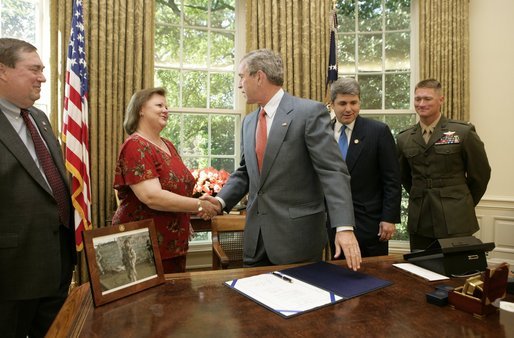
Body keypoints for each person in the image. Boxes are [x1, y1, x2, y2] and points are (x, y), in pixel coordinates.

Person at [202, 49, 361, 270]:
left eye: (241, 77)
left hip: (297, 241)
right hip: (256, 240)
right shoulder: (249, 121)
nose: (239, 85)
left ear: (259, 77)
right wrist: (220, 201)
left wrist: (344, 227)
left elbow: (333, 171)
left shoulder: (308, 113)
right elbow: (246, 171)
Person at [0, 38, 76, 337]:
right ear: (3, 71)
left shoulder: (40, 118)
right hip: (11, 272)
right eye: (34, 69)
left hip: (56, 260)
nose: (43, 77)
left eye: (43, 69)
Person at [112, 87, 218, 274]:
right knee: (150, 302)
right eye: (159, 105)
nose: (166, 110)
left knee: (174, 301)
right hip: (145, 246)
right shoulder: (135, 145)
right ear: (140, 110)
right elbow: (152, 196)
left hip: (174, 243)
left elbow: (177, 189)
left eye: (167, 106)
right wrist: (199, 205)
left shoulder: (168, 144)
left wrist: (184, 220)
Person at [396, 79, 491, 251]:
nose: (421, 103)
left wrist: (462, 202)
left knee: (457, 273)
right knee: (422, 270)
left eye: (427, 99)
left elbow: (480, 175)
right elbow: (404, 177)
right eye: (417, 99)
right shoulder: (405, 137)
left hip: (456, 217)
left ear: (441, 100)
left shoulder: (462, 132)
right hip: (420, 219)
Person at [326, 77, 401, 257]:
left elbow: (392, 179)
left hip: (370, 224)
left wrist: (389, 218)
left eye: (354, 102)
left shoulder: (378, 131)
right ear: (331, 104)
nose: (348, 109)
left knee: (375, 276)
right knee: (338, 275)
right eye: (342, 103)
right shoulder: (321, 132)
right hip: (332, 222)